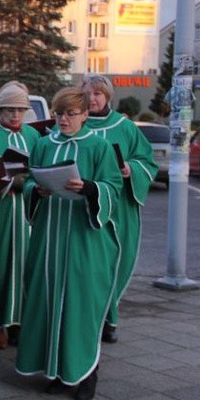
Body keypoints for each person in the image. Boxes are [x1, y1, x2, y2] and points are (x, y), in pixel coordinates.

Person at [16, 87, 122, 400]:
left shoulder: (99, 147)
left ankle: (87, 374)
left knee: (80, 306)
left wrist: (90, 188)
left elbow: (113, 188)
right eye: (59, 113)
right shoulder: (44, 144)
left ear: (85, 115)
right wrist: (37, 191)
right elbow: (30, 180)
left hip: (82, 240)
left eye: (71, 114)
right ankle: (58, 371)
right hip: (49, 238)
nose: (63, 119)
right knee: (48, 304)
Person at [81, 74, 157, 343]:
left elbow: (146, 161)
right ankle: (86, 319)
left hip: (118, 208)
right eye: (88, 94)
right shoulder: (76, 125)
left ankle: (110, 318)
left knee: (114, 263)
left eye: (98, 94)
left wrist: (130, 169)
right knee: (89, 265)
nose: (92, 99)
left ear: (108, 97)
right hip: (86, 206)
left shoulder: (124, 127)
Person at [0, 85, 41, 349]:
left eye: (20, 110)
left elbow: (41, 169)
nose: (15, 116)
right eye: (10, 110)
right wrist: (5, 183)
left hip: (26, 211)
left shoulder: (33, 135)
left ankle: (21, 323)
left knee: (26, 265)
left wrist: (33, 183)